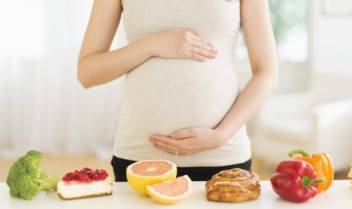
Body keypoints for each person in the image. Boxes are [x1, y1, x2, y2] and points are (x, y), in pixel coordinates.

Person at [77, 0, 278, 181]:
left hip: (222, 156)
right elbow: (87, 73)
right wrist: (151, 44)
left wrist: (220, 136)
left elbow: (266, 72)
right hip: (140, 157)